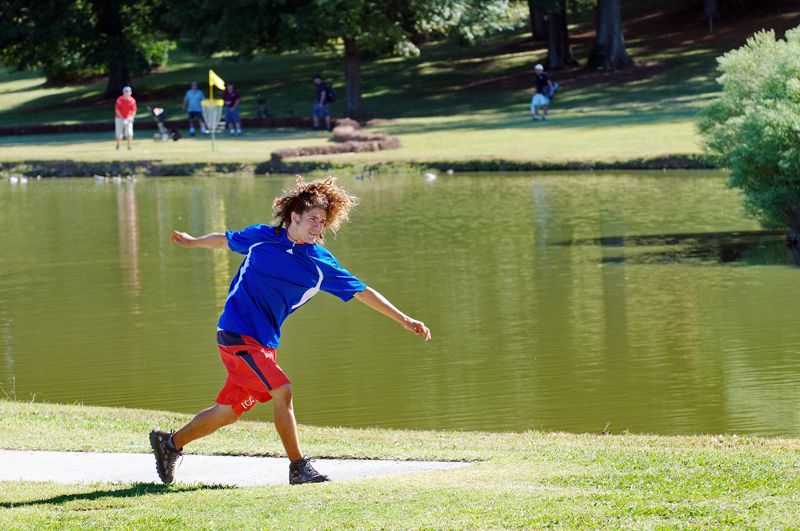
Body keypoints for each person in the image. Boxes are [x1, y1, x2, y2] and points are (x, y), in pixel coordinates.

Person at [149, 176, 431, 486]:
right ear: (294, 216)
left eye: (322, 222)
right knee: (283, 391)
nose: (317, 227)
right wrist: (193, 242)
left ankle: (169, 444)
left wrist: (404, 320)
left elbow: (363, 291)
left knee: (228, 412)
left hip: (263, 343)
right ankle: (299, 467)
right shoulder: (262, 237)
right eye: (312, 219)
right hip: (235, 334)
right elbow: (223, 240)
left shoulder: (320, 263)